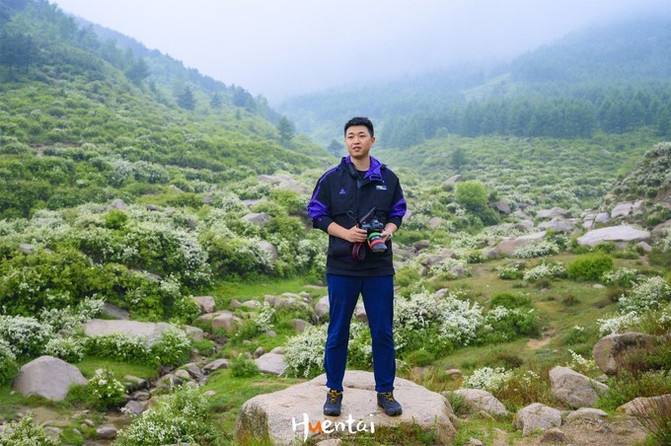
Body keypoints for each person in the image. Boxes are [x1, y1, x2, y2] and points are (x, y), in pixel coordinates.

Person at [306, 117, 406, 417]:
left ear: (372, 140)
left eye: (361, 135)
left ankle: (385, 392)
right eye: (350, 136)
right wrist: (346, 234)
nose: (356, 141)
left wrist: (388, 230)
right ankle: (334, 391)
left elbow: (397, 212)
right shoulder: (331, 178)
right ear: (345, 141)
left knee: (383, 332)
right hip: (342, 267)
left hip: (378, 268)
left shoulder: (388, 178)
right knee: (337, 331)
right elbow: (316, 214)